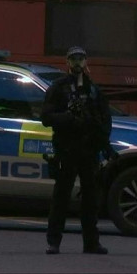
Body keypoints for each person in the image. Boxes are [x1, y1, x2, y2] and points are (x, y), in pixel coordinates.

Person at [41, 46, 116, 255]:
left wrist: (102, 142)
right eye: (73, 59)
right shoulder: (59, 88)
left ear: (86, 62)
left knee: (91, 199)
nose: (77, 63)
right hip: (67, 148)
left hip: (89, 150)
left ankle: (91, 242)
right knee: (61, 196)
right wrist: (68, 118)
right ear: (67, 62)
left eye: (80, 59)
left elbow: (104, 119)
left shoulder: (93, 90)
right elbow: (46, 117)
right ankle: (54, 241)